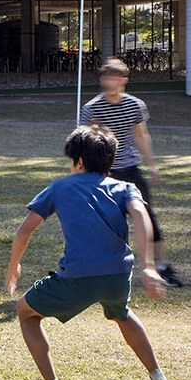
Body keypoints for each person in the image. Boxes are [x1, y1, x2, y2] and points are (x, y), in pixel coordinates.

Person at [6, 123, 179, 380]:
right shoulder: (125, 187)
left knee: (26, 313)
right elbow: (141, 215)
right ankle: (159, 379)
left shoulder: (59, 187)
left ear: (79, 161)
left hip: (76, 277)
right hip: (116, 276)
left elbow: (23, 232)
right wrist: (148, 267)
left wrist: (13, 267)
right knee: (122, 314)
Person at [78, 60, 183, 286]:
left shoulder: (135, 105)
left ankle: (163, 267)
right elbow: (82, 142)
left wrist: (152, 164)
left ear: (123, 80)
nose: (108, 82)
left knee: (147, 218)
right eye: (105, 77)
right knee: (101, 223)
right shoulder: (92, 108)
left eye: (113, 77)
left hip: (130, 170)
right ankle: (94, 270)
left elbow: (142, 136)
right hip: (103, 173)